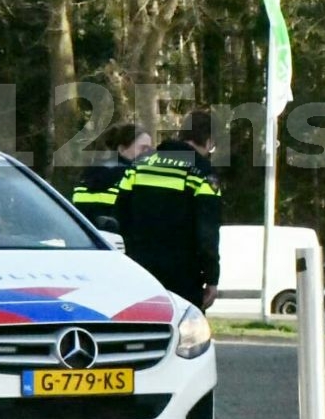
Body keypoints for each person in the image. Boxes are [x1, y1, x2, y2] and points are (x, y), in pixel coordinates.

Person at [115, 109, 221, 311]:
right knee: (184, 333)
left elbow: (121, 213)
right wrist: (212, 278)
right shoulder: (202, 172)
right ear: (209, 141)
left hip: (140, 270)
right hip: (183, 274)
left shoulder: (140, 164)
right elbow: (207, 230)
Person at [70, 122, 154, 225]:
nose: (149, 153)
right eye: (143, 148)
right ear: (122, 149)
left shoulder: (86, 174)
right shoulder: (132, 176)